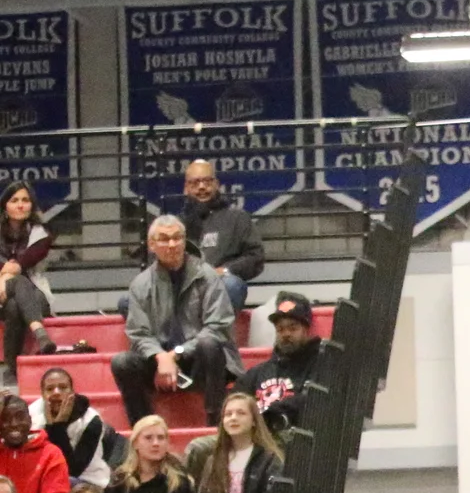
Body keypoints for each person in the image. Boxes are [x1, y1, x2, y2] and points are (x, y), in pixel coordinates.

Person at [114, 214, 236, 429]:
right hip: (159, 365)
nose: (172, 244)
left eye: (177, 237)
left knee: (210, 344)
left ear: (185, 240)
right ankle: (145, 429)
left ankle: (217, 426)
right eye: (164, 239)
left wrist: (174, 355)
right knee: (122, 362)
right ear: (151, 245)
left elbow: (217, 327)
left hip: (199, 361)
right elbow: (138, 333)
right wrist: (160, 357)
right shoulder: (141, 284)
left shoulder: (206, 276)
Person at [177, 159, 266, 314]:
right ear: (186, 188)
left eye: (207, 181)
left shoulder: (238, 218)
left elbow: (255, 257)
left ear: (217, 184)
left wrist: (225, 270)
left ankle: (212, 335)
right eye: (195, 183)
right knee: (128, 302)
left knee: (233, 285)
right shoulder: (175, 225)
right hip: (182, 291)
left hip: (219, 286)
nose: (202, 187)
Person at [0, 179, 60, 386]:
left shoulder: (41, 233)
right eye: (14, 200)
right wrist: (5, 277)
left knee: (16, 301)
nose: (20, 205)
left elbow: (25, 263)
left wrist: (7, 276)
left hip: (37, 296)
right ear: (4, 205)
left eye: (25, 200)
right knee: (14, 292)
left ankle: (10, 368)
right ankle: (40, 333)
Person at [243, 292, 326, 433]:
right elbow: (235, 403)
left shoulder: (322, 365)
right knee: (200, 447)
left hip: (294, 437)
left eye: (293, 328)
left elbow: (317, 401)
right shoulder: (257, 373)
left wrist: (275, 412)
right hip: (255, 437)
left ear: (306, 329)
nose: (286, 334)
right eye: (280, 329)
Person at [40, 367, 120, 492]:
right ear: (42, 394)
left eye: (63, 387)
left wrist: (57, 426)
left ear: (72, 392)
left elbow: (72, 469)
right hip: (47, 480)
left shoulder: (92, 421)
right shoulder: (31, 415)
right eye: (49, 389)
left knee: (63, 482)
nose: (56, 392)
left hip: (89, 482)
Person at [109, 413, 192, 493]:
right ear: (135, 443)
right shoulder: (120, 478)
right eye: (148, 438)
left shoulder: (178, 481)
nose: (156, 443)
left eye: (161, 438)